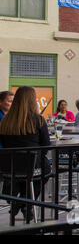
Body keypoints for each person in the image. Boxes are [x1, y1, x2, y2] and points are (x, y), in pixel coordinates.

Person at [0, 86, 51, 221]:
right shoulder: (38, 120)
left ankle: (21, 204)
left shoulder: (5, 120)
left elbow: (4, 145)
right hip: (34, 167)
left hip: (9, 168)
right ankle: (24, 204)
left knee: (24, 177)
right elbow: (46, 146)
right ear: (32, 100)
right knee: (45, 170)